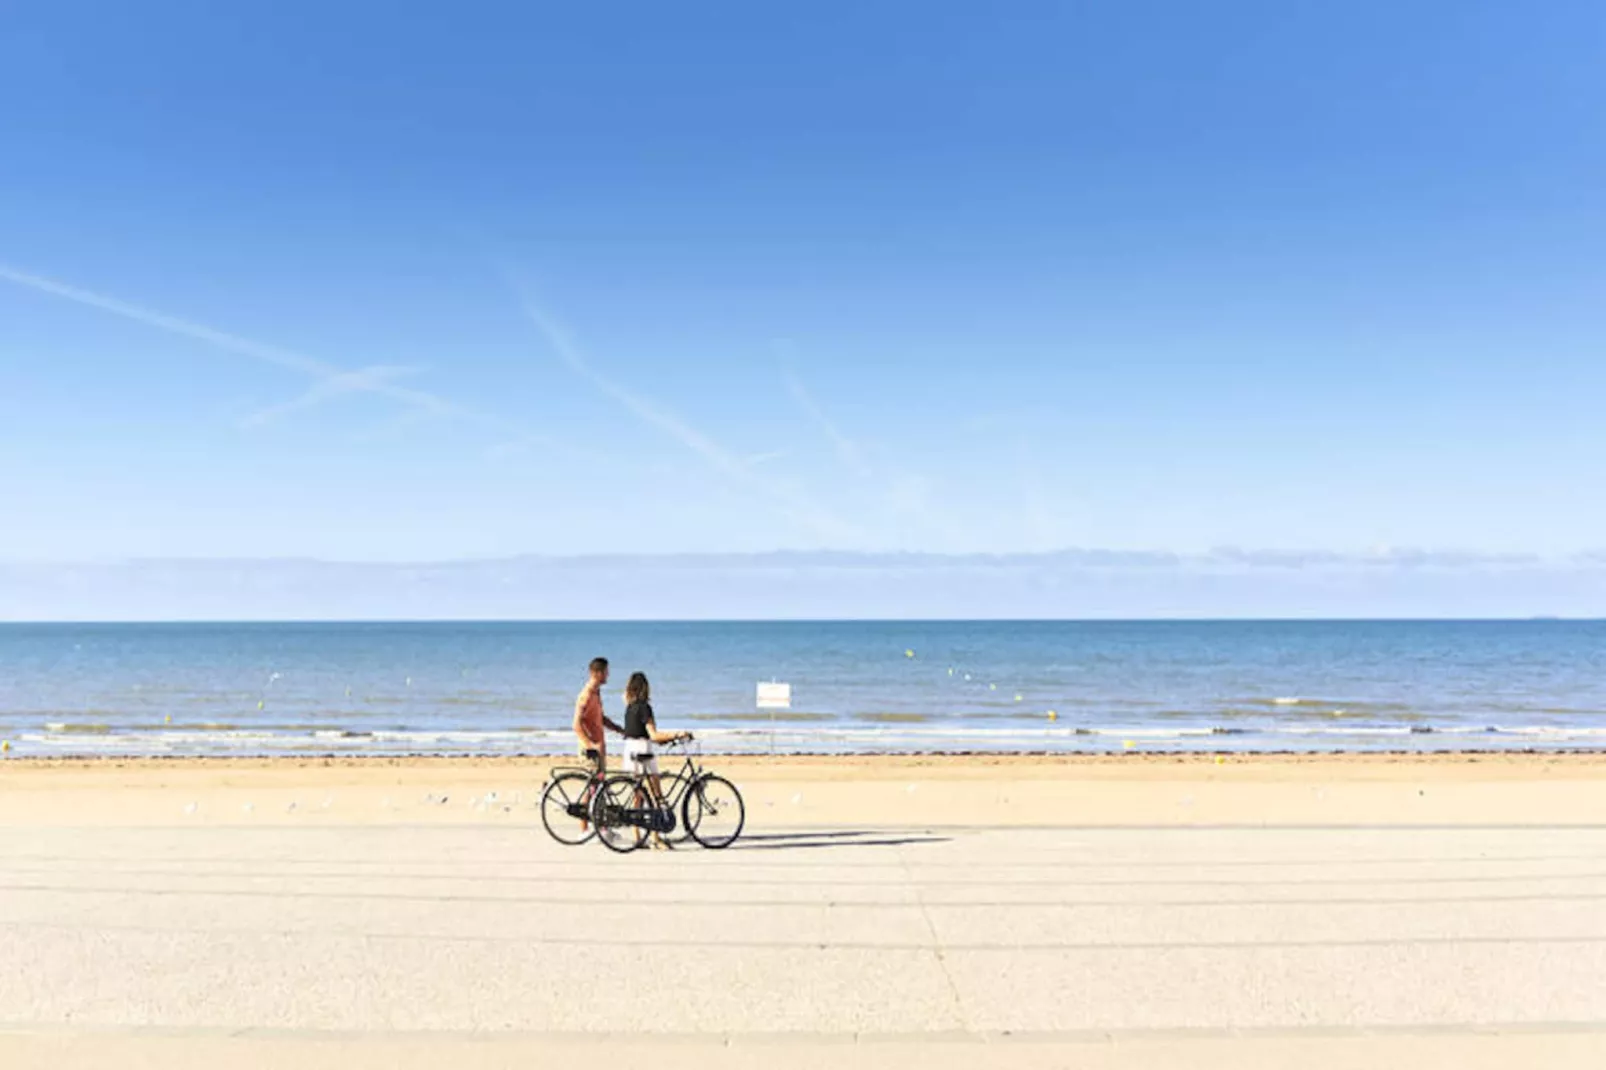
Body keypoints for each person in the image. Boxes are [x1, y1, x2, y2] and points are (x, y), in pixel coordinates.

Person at [622, 672, 692, 848]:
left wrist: (664, 739)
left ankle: (638, 836)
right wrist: (677, 734)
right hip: (643, 750)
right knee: (656, 796)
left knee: (638, 796)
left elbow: (639, 732)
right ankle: (656, 838)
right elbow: (653, 735)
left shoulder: (629, 708)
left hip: (629, 750)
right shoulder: (645, 707)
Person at [573, 657, 624, 778]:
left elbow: (600, 718)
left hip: (598, 748)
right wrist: (590, 745)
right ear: (595, 673)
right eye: (605, 672)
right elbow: (576, 724)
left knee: (599, 785)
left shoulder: (596, 692)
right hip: (591, 750)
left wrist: (619, 729)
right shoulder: (586, 695)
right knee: (594, 784)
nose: (608, 675)